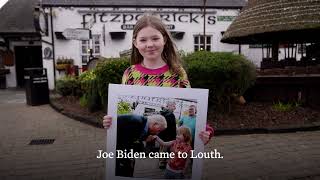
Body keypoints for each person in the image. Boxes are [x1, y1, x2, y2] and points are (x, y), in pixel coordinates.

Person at [103, 14, 213, 144]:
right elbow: (124, 108)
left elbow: (192, 105)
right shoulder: (130, 73)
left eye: (155, 38)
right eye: (143, 40)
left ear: (164, 40)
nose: (149, 44)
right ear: (135, 43)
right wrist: (111, 121)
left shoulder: (177, 73)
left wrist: (205, 130)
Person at [158, 101, 178, 169]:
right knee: (164, 150)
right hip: (167, 137)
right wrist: (173, 137)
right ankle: (162, 163)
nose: (175, 107)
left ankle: (161, 161)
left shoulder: (163, 113)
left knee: (162, 149)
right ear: (169, 106)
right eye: (173, 106)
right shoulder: (170, 114)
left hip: (162, 135)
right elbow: (171, 128)